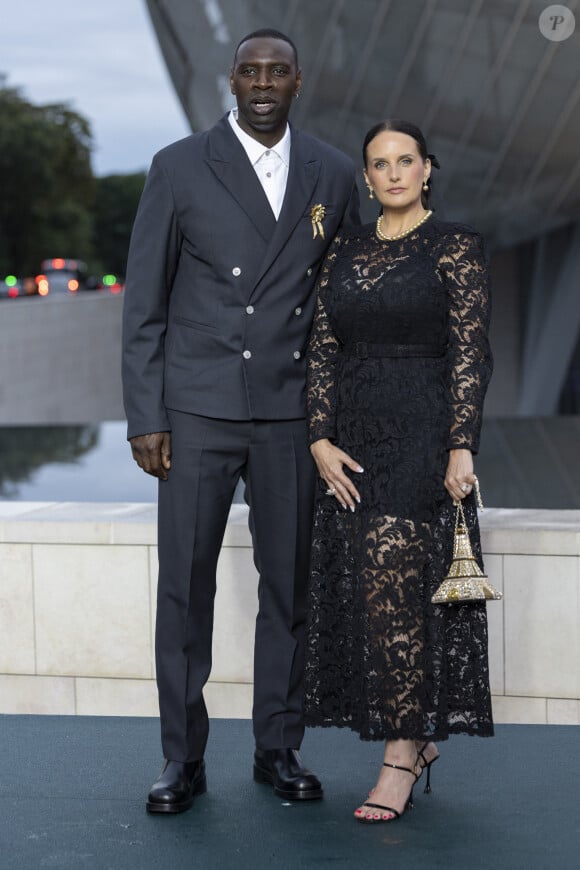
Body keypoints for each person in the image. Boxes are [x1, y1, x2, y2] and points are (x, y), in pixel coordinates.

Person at [122, 29, 360, 814]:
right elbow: (144, 306)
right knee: (184, 591)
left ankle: (277, 746)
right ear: (232, 80)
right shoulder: (179, 166)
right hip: (196, 409)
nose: (263, 83)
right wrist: (146, 414)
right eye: (251, 71)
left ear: (299, 81)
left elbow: (341, 309)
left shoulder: (331, 170)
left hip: (291, 414)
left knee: (289, 587)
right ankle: (180, 759)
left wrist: (334, 417)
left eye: (278, 72)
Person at [304, 118, 493, 824]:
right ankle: (413, 730)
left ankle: (402, 751)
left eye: (405, 161)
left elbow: (472, 351)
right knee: (368, 588)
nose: (393, 174)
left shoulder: (456, 247)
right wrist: (319, 437)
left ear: (428, 169)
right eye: (379, 164)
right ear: (366, 176)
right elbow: (322, 344)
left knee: (396, 580)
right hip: (353, 439)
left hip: (423, 433)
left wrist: (461, 444)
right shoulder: (345, 245)